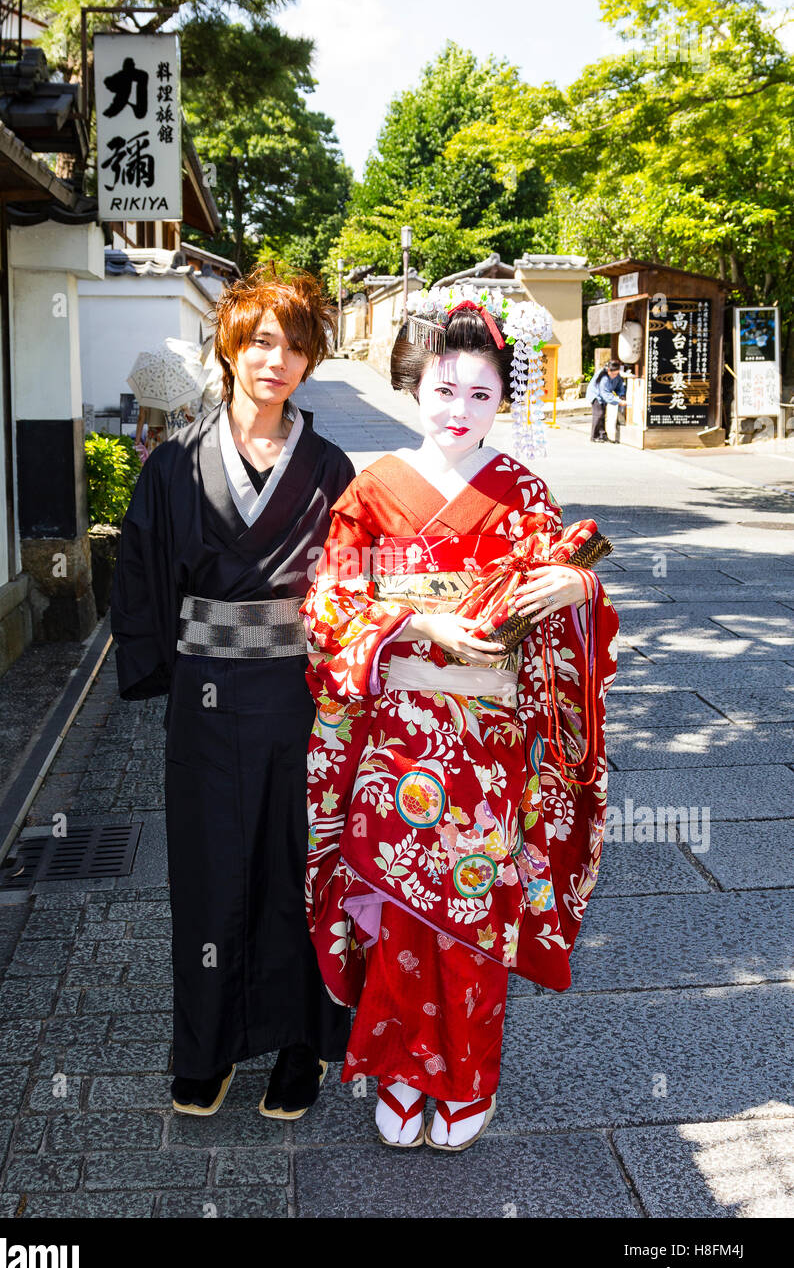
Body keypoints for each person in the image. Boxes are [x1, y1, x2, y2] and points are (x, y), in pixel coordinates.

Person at [301, 298, 619, 1152]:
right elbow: (332, 602)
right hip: (398, 725)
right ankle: (404, 1075)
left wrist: (577, 590)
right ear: (412, 388)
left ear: (500, 404)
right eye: (444, 389)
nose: (459, 410)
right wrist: (416, 624)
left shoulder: (521, 491)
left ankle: (468, 1075)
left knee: (475, 910)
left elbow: (559, 593)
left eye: (481, 396)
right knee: (398, 905)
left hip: (488, 736)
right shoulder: (372, 492)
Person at [111, 266, 354, 1120]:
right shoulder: (177, 461)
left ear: (309, 360)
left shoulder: (328, 466)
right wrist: (175, 673)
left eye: (292, 346)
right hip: (207, 694)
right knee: (210, 873)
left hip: (300, 697)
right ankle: (206, 1048)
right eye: (259, 341)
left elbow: (354, 589)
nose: (273, 360)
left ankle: (302, 1049)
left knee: (296, 869)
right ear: (230, 347)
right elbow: (141, 574)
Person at [586, 358, 626, 442]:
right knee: (598, 414)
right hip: (595, 395)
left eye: (616, 373)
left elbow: (619, 386)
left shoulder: (617, 376)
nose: (614, 376)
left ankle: (602, 435)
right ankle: (594, 436)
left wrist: (621, 395)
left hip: (603, 396)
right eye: (613, 374)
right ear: (608, 370)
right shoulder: (603, 377)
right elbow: (605, 394)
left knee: (603, 414)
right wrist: (618, 401)